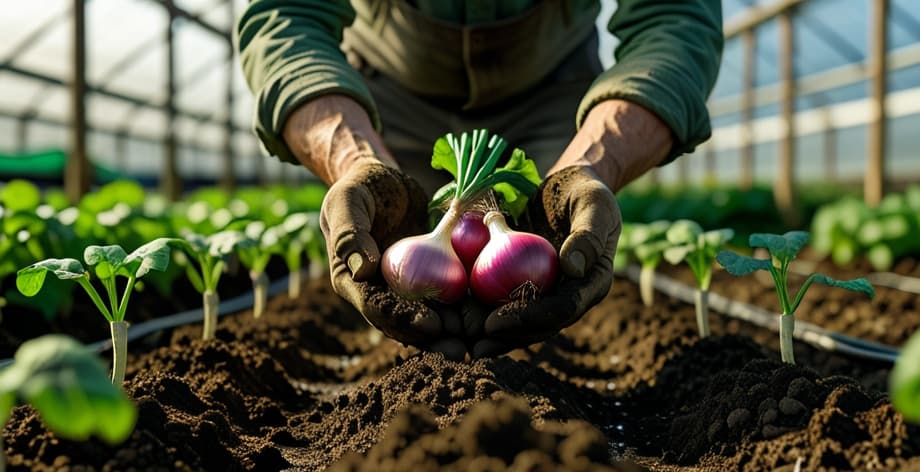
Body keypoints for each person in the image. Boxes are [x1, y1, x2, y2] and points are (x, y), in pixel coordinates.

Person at [236, 0, 723, 359]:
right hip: (385, 96)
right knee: (400, 252)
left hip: (557, 92)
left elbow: (675, 16)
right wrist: (356, 160)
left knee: (550, 262)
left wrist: (593, 164)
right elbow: (284, 15)